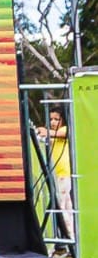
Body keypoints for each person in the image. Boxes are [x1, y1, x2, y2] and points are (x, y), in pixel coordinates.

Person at [35, 106, 73, 248]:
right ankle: (70, 238)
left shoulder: (65, 130)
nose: (53, 122)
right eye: (51, 119)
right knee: (66, 208)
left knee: (62, 208)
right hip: (57, 175)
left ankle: (69, 240)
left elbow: (60, 133)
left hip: (64, 174)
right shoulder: (54, 135)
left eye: (56, 119)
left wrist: (45, 131)